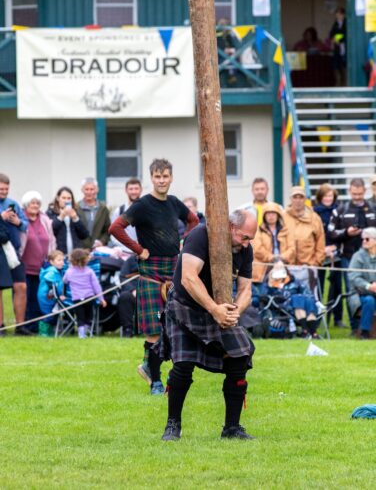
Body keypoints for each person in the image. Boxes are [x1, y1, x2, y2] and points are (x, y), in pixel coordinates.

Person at [157, 210, 257, 441]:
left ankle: (231, 428)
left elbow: (245, 290)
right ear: (231, 227)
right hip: (185, 308)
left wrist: (235, 312)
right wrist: (214, 309)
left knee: (240, 357)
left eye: (250, 239)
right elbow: (188, 277)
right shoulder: (200, 235)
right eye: (244, 237)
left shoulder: (245, 249)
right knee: (183, 363)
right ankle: (173, 425)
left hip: (219, 310)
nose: (247, 243)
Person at [109, 158, 199, 395]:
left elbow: (194, 220)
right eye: (157, 177)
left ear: (171, 178)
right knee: (153, 330)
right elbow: (115, 228)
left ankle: (150, 366)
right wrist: (139, 250)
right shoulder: (141, 205)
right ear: (152, 178)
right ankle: (156, 381)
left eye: (165, 176)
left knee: (174, 327)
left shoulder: (174, 203)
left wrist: (184, 242)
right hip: (150, 273)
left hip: (172, 270)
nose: (162, 181)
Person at [328, 178, 376, 332]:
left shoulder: (373, 208)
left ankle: (367, 326)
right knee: (351, 290)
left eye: (360, 194)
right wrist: (346, 233)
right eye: (354, 194)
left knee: (369, 290)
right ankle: (355, 327)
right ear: (349, 191)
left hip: (371, 256)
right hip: (347, 256)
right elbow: (331, 232)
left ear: (365, 191)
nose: (356, 197)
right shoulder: (340, 210)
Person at [19, 191, 56, 333]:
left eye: (37, 203)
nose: (35, 206)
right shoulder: (22, 219)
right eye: (32, 203)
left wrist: (52, 257)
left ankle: (39, 326)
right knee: (27, 298)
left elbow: (51, 239)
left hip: (43, 267)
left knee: (40, 297)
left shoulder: (44, 219)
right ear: (26, 205)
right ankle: (26, 326)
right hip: (25, 266)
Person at [0, 173, 29, 334]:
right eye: (0, 189)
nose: (3, 191)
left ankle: (21, 326)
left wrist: (18, 222)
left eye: (6, 188)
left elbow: (25, 225)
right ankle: (1, 327)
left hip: (13, 252)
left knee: (21, 286)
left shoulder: (13, 204)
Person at [260, 262, 320, 339]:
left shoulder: (294, 281)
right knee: (296, 298)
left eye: (281, 268)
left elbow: (307, 292)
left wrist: (305, 298)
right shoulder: (269, 284)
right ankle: (313, 333)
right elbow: (263, 296)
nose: (279, 270)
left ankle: (306, 331)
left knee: (306, 300)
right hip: (285, 306)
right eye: (277, 268)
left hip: (302, 305)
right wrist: (270, 284)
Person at [283, 186, 325, 294]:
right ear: (290, 199)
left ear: (305, 199)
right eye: (295, 197)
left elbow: (320, 243)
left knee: (309, 299)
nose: (298, 200)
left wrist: (315, 263)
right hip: (287, 267)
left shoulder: (314, 218)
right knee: (287, 298)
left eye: (300, 197)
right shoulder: (283, 217)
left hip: (308, 268)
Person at [313, 184, 344, 327]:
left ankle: (337, 318)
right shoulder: (314, 212)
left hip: (335, 252)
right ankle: (318, 317)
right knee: (318, 286)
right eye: (325, 196)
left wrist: (334, 247)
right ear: (320, 197)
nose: (328, 198)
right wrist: (323, 248)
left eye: (330, 196)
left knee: (337, 286)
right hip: (319, 253)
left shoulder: (340, 211)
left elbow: (341, 232)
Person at [63, 248, 107, 338]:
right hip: (89, 298)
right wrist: (101, 299)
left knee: (80, 317)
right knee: (89, 316)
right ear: (85, 260)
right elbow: (96, 286)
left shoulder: (69, 272)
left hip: (76, 299)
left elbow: (64, 281)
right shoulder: (89, 271)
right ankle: (85, 333)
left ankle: (81, 334)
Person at [252, 202, 295, 285]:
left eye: (273, 213)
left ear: (278, 215)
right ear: (264, 216)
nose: (271, 216)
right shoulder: (258, 230)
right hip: (264, 267)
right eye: (268, 214)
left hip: (283, 264)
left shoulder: (286, 230)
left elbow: (292, 248)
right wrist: (273, 259)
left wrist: (281, 259)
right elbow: (257, 249)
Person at [348, 227, 376, 339]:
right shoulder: (357, 256)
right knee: (369, 301)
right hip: (359, 294)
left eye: (367, 239)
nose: (364, 241)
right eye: (363, 239)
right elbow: (353, 277)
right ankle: (365, 332)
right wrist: (369, 286)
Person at [47, 186, 89, 255]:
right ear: (58, 198)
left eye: (69, 198)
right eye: (63, 198)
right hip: (58, 255)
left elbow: (84, 234)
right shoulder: (50, 212)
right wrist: (61, 217)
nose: (66, 201)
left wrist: (76, 219)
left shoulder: (76, 211)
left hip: (75, 255)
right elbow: (50, 231)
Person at [110, 178, 142, 255]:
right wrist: (130, 244)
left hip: (143, 252)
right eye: (131, 189)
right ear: (126, 190)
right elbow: (113, 234)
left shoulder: (148, 209)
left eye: (136, 189)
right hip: (124, 252)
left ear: (141, 190)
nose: (133, 192)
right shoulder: (119, 211)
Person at [77, 177, 111, 249]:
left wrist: (102, 241)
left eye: (92, 189)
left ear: (97, 190)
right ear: (82, 190)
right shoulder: (76, 208)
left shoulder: (103, 208)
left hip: (98, 250)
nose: (89, 192)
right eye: (86, 189)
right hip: (80, 250)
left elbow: (108, 230)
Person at [37, 250, 66, 337]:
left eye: (63, 260)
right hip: (46, 297)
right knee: (48, 314)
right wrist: (57, 296)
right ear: (51, 262)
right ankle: (43, 333)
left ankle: (49, 332)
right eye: (59, 260)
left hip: (51, 297)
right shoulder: (51, 271)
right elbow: (49, 282)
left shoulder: (57, 270)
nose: (62, 262)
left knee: (51, 314)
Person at [216, 17, 239, 86]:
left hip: (229, 57)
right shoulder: (216, 36)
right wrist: (228, 50)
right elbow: (219, 49)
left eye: (225, 24)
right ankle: (231, 77)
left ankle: (232, 77)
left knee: (235, 59)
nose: (224, 26)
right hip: (219, 58)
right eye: (222, 24)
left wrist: (231, 50)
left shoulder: (228, 36)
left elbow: (234, 47)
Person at [329, 7, 346, 86]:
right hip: (337, 48)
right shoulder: (335, 23)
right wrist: (333, 40)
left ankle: (344, 82)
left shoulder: (346, 23)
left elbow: (345, 33)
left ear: (343, 14)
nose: (338, 15)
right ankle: (338, 82)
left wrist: (337, 38)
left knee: (344, 65)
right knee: (336, 66)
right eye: (337, 14)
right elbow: (331, 34)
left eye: (339, 14)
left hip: (344, 47)